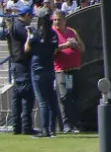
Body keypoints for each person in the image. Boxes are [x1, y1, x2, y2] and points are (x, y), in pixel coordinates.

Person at [25, 7, 60, 137]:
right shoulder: (53, 34)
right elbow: (56, 50)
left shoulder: (36, 34)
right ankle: (52, 129)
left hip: (37, 69)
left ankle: (45, 130)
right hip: (49, 68)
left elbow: (27, 49)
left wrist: (29, 36)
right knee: (51, 100)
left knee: (42, 101)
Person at [52, 9, 85, 133]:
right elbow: (51, 51)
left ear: (64, 20)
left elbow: (83, 48)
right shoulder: (52, 33)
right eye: (55, 20)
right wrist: (65, 45)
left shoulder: (72, 32)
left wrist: (75, 45)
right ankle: (65, 124)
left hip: (74, 70)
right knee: (65, 96)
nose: (56, 22)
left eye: (59, 19)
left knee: (73, 96)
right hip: (62, 70)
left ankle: (75, 123)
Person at [6, 5, 36, 135]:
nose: (31, 19)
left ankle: (17, 126)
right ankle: (26, 127)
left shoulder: (13, 26)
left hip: (16, 63)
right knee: (26, 94)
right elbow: (30, 40)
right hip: (22, 63)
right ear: (27, 15)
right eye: (31, 16)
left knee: (17, 96)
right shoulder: (20, 26)